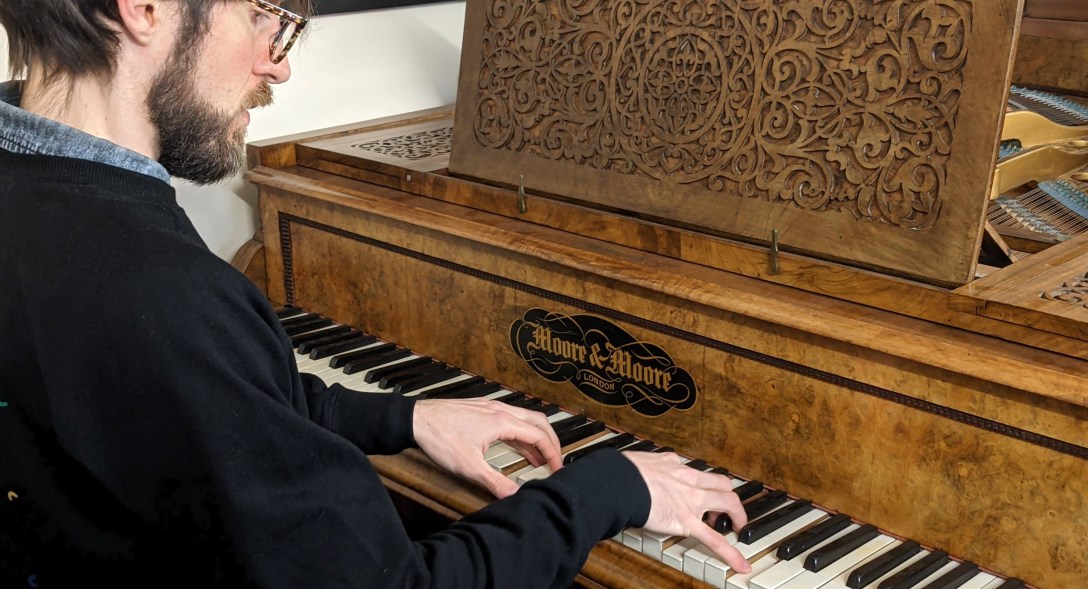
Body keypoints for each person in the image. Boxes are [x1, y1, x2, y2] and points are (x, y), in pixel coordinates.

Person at [0, 1, 750, 586]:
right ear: (145, 6)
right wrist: (607, 487)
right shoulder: (166, 293)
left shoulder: (45, 205)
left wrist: (404, 417)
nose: (276, 64)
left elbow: (219, 403)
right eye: (262, 13)